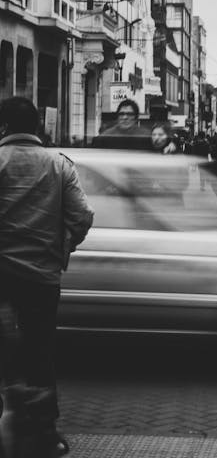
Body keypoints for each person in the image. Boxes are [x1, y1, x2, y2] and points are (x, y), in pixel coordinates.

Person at [0, 96, 94, 457]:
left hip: (1, 275)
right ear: (37, 127)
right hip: (41, 277)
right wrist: (62, 248)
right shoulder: (58, 165)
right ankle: (44, 431)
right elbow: (82, 216)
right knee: (40, 351)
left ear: (4, 127)